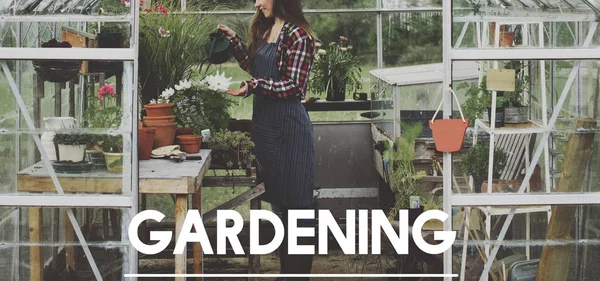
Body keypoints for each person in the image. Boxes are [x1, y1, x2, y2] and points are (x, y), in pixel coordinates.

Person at [218, 0, 317, 279]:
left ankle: (296, 276)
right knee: (280, 205)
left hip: (290, 131)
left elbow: (294, 85)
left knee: (297, 207)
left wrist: (254, 86)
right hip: (267, 129)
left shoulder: (298, 35)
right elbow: (256, 67)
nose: (257, 3)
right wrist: (235, 42)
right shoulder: (266, 30)